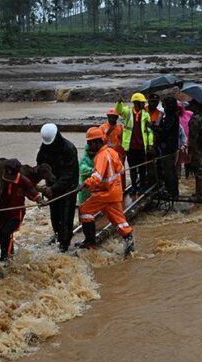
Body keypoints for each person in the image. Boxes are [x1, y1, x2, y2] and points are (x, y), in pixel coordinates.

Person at [77, 127, 135, 255]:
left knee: (84, 210)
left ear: (98, 142)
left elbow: (97, 178)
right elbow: (120, 168)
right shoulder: (112, 152)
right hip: (115, 191)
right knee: (118, 219)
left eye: (90, 142)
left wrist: (85, 184)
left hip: (104, 192)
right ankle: (129, 241)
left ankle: (90, 242)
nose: (89, 145)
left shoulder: (101, 156)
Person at [36, 124, 79, 253]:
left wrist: (53, 188)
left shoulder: (69, 148)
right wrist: (41, 185)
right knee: (55, 217)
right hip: (52, 187)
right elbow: (40, 166)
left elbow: (69, 174)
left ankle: (64, 246)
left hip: (68, 188)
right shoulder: (45, 148)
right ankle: (58, 237)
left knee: (65, 218)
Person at [0, 158, 43, 262]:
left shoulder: (23, 180)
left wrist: (39, 199)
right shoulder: (0, 179)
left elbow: (32, 191)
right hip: (2, 214)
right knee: (0, 233)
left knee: (7, 232)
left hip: (15, 214)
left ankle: (5, 258)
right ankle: (8, 254)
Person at [115, 93, 154, 195]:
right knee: (132, 168)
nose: (143, 104)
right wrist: (119, 103)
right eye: (142, 103)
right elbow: (119, 111)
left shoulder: (146, 115)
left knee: (142, 168)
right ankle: (133, 186)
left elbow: (149, 131)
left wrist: (150, 144)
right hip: (130, 146)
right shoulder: (127, 112)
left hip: (141, 146)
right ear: (136, 103)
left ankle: (142, 187)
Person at [150, 96, 185, 199]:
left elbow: (165, 131)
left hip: (170, 148)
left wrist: (153, 127)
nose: (163, 107)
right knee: (169, 170)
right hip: (170, 147)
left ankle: (172, 193)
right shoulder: (170, 116)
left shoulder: (171, 117)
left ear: (168, 106)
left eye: (164, 105)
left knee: (169, 171)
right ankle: (171, 191)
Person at [100, 109, 125, 187]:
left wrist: (123, 155)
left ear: (117, 118)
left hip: (118, 155)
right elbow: (100, 142)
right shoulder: (102, 128)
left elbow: (123, 142)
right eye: (110, 117)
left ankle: (122, 188)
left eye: (113, 117)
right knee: (108, 173)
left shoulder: (120, 128)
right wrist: (107, 134)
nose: (111, 119)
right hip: (107, 155)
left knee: (120, 172)